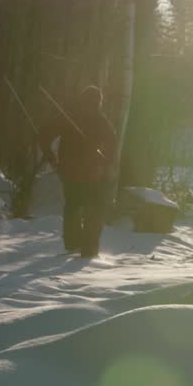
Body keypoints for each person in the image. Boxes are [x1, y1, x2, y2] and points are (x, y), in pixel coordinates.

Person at [40, 85, 117, 258]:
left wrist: (51, 157)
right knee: (93, 210)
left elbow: (44, 134)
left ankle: (73, 243)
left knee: (73, 206)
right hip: (92, 174)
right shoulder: (101, 121)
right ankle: (88, 250)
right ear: (99, 102)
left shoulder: (69, 118)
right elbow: (112, 149)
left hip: (70, 172)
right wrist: (107, 163)